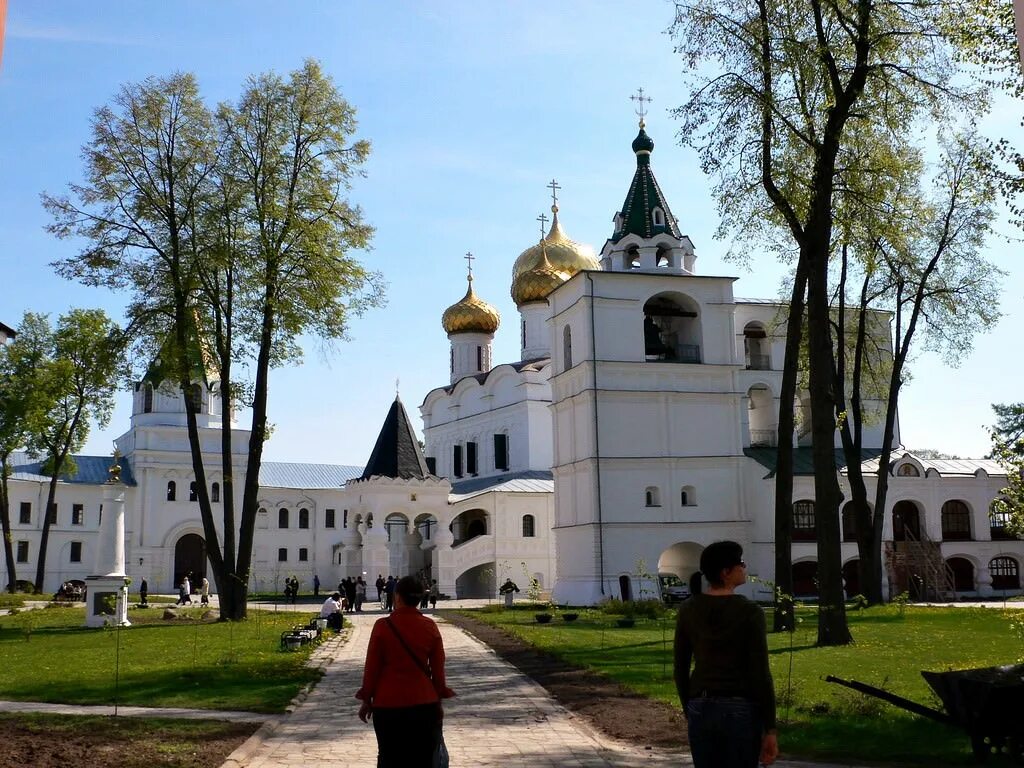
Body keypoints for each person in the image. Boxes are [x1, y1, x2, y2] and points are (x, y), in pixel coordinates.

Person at [674, 541, 778, 768]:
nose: (744, 567)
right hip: (740, 706)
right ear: (726, 573)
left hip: (700, 704)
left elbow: (680, 667)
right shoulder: (750, 612)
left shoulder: (689, 609)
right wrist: (770, 727)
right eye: (740, 563)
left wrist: (688, 707)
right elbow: (760, 672)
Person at [356, 576, 456, 767]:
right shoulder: (429, 626)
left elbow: (372, 668)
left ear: (398, 597)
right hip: (424, 703)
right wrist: (439, 700)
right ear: (419, 599)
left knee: (389, 757)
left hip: (388, 704)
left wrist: (367, 699)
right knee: (424, 759)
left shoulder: (382, 626)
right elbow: (438, 669)